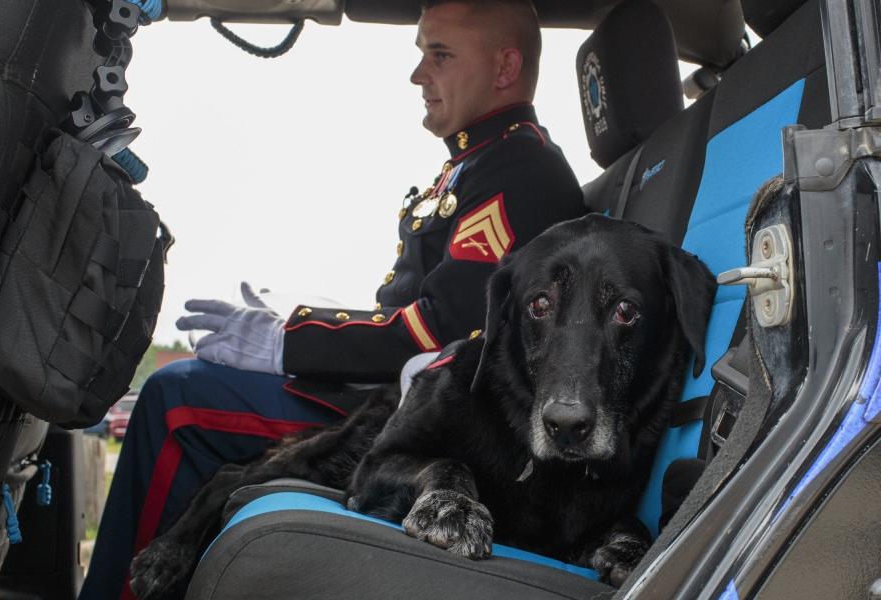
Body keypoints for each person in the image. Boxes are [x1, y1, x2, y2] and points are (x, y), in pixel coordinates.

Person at [80, 1, 586, 597]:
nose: (419, 74)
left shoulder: (522, 171)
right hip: (388, 392)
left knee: (175, 400)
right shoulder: (482, 163)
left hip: (414, 414)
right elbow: (413, 310)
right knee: (187, 387)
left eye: (440, 55)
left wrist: (288, 341)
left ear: (505, 68)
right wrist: (299, 318)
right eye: (422, 53)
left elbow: (437, 331)